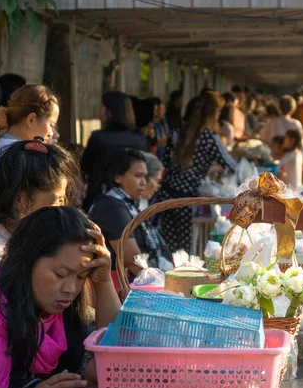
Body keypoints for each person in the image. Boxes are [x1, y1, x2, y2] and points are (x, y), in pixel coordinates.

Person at [0, 206, 120, 388]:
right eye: (61, 274)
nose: (71, 289)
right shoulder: (2, 317)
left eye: (81, 277)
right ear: (26, 262)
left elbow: (114, 358)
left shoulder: (61, 318)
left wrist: (103, 282)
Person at [155, 91, 237, 253]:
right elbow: (231, 165)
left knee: (170, 247)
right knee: (186, 249)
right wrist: (211, 170)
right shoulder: (210, 138)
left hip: (166, 195)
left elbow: (165, 162)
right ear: (213, 114)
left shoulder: (176, 133)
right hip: (188, 200)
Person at [90, 149, 172, 286]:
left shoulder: (126, 204)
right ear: (118, 177)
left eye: (145, 177)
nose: (143, 182)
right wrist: (161, 284)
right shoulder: (111, 207)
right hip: (125, 288)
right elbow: (132, 260)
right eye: (138, 176)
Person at [0, 139, 78, 265]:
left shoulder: (42, 241)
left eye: (62, 200)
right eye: (56, 201)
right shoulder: (1, 254)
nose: (61, 210)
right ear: (21, 200)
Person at [81, 91, 148, 211]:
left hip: (100, 199)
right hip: (132, 199)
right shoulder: (140, 139)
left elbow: (85, 167)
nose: (99, 111)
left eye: (101, 108)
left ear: (110, 112)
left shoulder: (99, 138)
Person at [0, 84, 59, 158]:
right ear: (31, 119)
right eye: (51, 125)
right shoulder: (23, 155)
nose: (53, 133)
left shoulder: (2, 143)